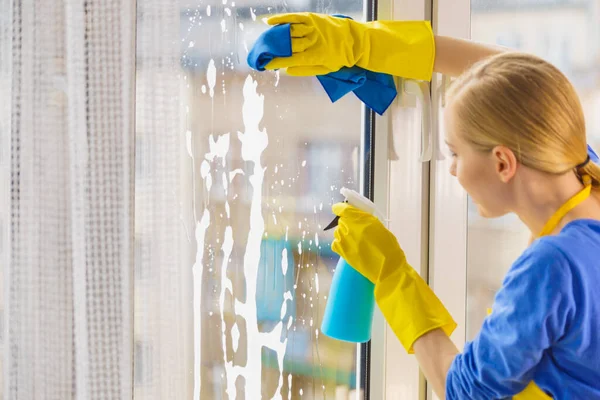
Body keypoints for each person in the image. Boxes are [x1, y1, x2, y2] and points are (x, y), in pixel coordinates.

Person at [263, 13, 600, 400]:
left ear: (503, 163)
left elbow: (464, 391)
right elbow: (534, 89)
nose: (452, 169)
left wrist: (392, 275)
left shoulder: (551, 267)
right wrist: (365, 43)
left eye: (455, 152)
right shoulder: (577, 172)